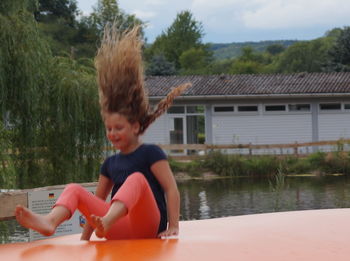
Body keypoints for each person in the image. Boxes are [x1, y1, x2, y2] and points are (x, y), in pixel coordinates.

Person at [14, 24, 191, 240]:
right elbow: (96, 200)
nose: (112, 133)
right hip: (115, 228)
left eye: (118, 128)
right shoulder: (109, 164)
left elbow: (171, 189)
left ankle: (108, 220)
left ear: (135, 126)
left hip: (147, 226)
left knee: (136, 179)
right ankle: (50, 221)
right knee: (75, 189)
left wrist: (174, 226)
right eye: (108, 128)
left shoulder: (151, 153)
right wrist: (85, 238)